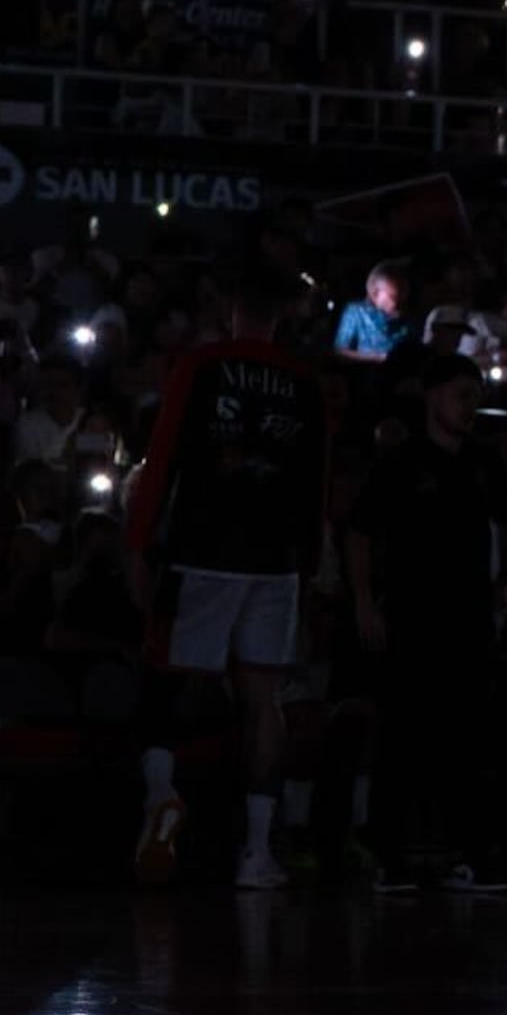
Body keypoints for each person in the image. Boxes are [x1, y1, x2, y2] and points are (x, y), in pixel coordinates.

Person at [122, 266, 329, 889]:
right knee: (266, 700)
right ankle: (258, 852)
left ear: (231, 309)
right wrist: (310, 561)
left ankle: (162, 794)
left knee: (167, 675)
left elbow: (163, 456)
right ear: (280, 318)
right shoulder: (306, 381)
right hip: (277, 560)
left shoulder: (202, 364)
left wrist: (138, 539)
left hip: (204, 550)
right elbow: (314, 479)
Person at [346, 352, 507, 894]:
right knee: (402, 735)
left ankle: (468, 853)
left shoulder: (484, 462)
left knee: (468, 737)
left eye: (476, 396)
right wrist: (365, 602)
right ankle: (391, 855)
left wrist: (504, 580)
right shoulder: (399, 461)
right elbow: (359, 531)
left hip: (469, 618)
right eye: (463, 395)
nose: (472, 406)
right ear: (434, 396)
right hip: (412, 618)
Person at [333, 261, 411, 363]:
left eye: (401, 296)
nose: (397, 303)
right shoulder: (356, 312)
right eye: (393, 297)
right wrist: (379, 358)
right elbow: (340, 351)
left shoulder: (405, 317)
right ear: (375, 292)